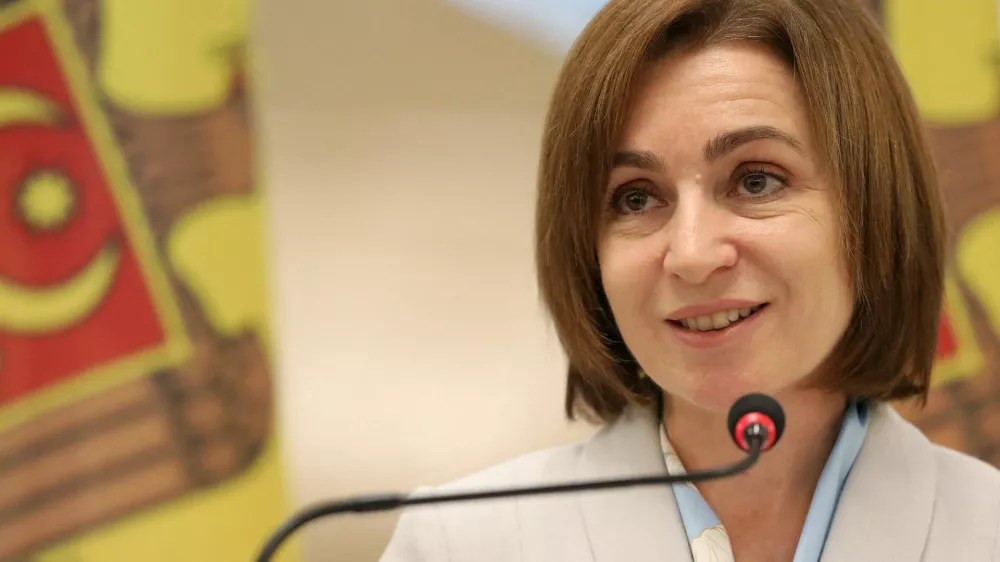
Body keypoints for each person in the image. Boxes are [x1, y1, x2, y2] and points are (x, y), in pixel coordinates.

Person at [380, 0, 1000, 560]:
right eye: (635, 198)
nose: (693, 254)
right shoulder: (462, 546)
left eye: (756, 180)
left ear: (873, 211)